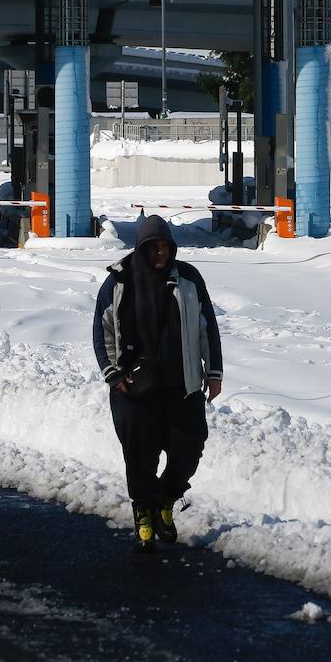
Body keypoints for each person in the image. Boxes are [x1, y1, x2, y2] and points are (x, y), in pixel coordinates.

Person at [93, 215, 222, 552]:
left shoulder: (188, 278)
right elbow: (101, 329)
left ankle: (165, 500)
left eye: (166, 246)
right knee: (140, 456)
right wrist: (112, 372)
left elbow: (207, 326)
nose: (161, 253)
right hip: (134, 389)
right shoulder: (120, 281)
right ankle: (143, 512)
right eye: (154, 248)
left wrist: (214, 371)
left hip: (182, 386)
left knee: (189, 450)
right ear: (142, 249)